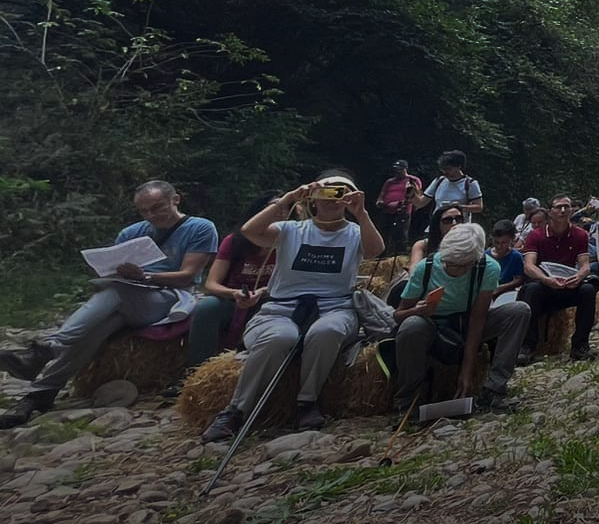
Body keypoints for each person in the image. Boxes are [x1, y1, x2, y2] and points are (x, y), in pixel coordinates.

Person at [0, 180, 219, 428]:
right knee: (93, 331)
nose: (151, 215)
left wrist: (145, 276)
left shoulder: (200, 227)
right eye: (144, 211)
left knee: (116, 292)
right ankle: (39, 395)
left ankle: (47, 349)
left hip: (169, 296)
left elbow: (187, 276)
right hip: (126, 296)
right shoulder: (131, 232)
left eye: (157, 207)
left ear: (175, 199)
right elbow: (113, 272)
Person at [199, 173, 382, 441]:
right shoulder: (291, 230)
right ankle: (236, 410)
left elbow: (375, 251)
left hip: (335, 307)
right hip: (281, 307)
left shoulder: (355, 232)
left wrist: (361, 213)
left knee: (326, 331)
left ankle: (307, 400)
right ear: (313, 198)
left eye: (342, 192)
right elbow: (249, 232)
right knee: (279, 337)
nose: (333, 198)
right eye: (327, 192)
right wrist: (288, 199)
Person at [392, 217, 527, 413]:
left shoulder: (488, 268)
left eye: (462, 266)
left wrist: (467, 370)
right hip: (432, 327)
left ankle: (494, 390)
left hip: (466, 323)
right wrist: (417, 311)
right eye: (449, 263)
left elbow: (478, 318)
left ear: (475, 260)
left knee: (519, 311)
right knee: (412, 325)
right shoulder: (426, 268)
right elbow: (399, 315)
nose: (454, 270)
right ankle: (406, 401)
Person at [186, 192, 281, 368]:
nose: (280, 212)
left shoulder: (294, 241)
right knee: (207, 307)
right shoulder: (234, 241)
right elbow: (211, 283)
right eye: (273, 206)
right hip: (233, 299)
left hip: (273, 300)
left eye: (287, 207)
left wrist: (262, 292)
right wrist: (235, 294)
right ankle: (196, 371)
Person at [517, 195, 597, 362]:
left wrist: (579, 277)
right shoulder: (536, 235)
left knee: (588, 290)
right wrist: (545, 279)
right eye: (559, 207)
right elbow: (529, 266)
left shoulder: (580, 235)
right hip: (544, 285)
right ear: (550, 211)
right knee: (531, 290)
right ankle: (528, 346)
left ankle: (580, 345)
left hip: (568, 284)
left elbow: (585, 265)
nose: (563, 211)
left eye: (566, 207)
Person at [412, 151, 482, 239]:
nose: (445, 172)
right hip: (436, 228)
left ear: (459, 166)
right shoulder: (439, 181)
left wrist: (459, 207)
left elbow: (479, 207)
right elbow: (420, 203)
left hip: (459, 230)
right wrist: (411, 194)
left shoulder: (470, 183)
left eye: (449, 169)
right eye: (443, 169)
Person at [372, 161, 423, 256]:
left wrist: (401, 203)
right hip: (387, 211)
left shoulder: (412, 180)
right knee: (384, 234)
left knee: (400, 236)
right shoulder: (390, 181)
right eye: (395, 169)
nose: (397, 172)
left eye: (399, 169)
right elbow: (382, 193)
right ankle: (382, 255)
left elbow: (416, 194)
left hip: (402, 211)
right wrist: (380, 201)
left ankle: (400, 256)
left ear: (405, 169)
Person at [489, 220, 527, 298]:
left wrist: (501, 287)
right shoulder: (486, 255)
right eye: (496, 242)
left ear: (511, 239)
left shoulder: (516, 257)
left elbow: (519, 279)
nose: (499, 246)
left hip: (506, 294)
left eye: (504, 243)